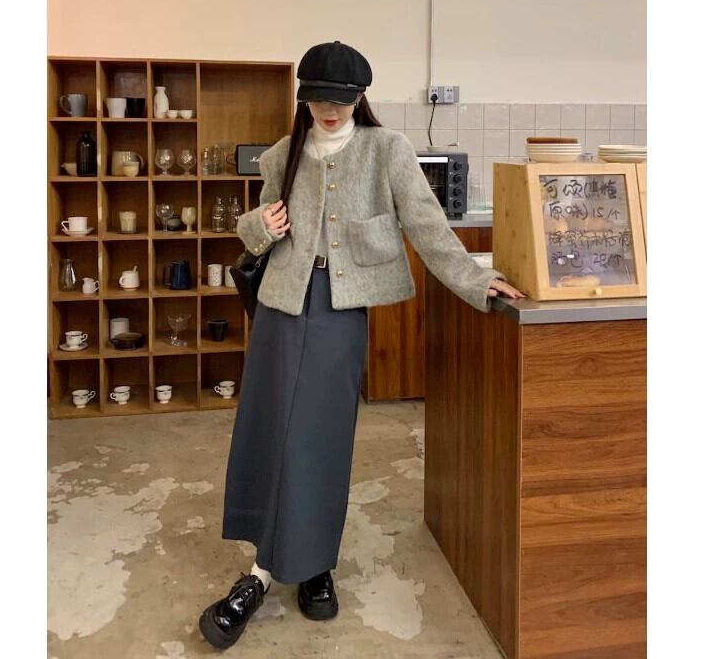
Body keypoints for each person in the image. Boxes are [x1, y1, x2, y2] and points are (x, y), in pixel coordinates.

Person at [198, 41, 525, 651]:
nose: (330, 110)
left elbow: (427, 224)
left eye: (341, 100)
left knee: (321, 439)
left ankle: (313, 563)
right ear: (304, 98)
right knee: (269, 433)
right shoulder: (283, 155)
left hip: (338, 310)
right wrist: (258, 227)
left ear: (360, 98)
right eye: (320, 99)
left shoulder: (387, 150)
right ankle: (264, 566)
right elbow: (250, 229)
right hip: (280, 308)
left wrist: (476, 280)